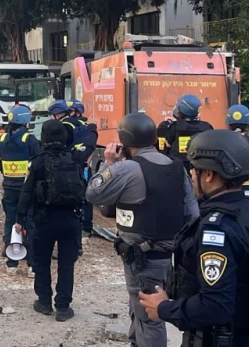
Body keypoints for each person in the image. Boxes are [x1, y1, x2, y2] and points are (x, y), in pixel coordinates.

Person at [138, 130, 249, 347]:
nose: (192, 175)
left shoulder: (217, 229)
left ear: (209, 174)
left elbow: (216, 305)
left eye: (194, 170)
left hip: (220, 338)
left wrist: (163, 309)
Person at [86, 113, 198, 347]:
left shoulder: (127, 168)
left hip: (142, 258)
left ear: (124, 141)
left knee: (150, 318)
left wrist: (108, 164)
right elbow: (192, 214)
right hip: (171, 257)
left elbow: (93, 193)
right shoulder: (177, 167)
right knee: (139, 309)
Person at [15, 119, 85, 322]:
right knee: (66, 264)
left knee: (42, 261)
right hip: (71, 219)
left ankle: (44, 302)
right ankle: (63, 307)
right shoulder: (74, 159)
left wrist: (20, 218)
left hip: (44, 220)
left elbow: (26, 193)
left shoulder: (37, 162)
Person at [0, 104, 41, 275]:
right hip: (26, 189)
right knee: (29, 222)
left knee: (10, 221)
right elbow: (38, 164)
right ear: (25, 121)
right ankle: (32, 264)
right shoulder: (29, 140)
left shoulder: (2, 139)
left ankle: (11, 262)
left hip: (9, 186)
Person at [69, 99, 98, 245]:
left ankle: (86, 226)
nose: (68, 115)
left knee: (86, 198)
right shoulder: (68, 127)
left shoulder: (86, 129)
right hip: (73, 167)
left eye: (71, 111)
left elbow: (90, 148)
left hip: (83, 167)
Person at [159, 94, 213, 169]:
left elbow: (167, 147)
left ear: (183, 109)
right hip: (199, 169)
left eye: (178, 107)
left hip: (178, 169)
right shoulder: (207, 127)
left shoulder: (174, 127)